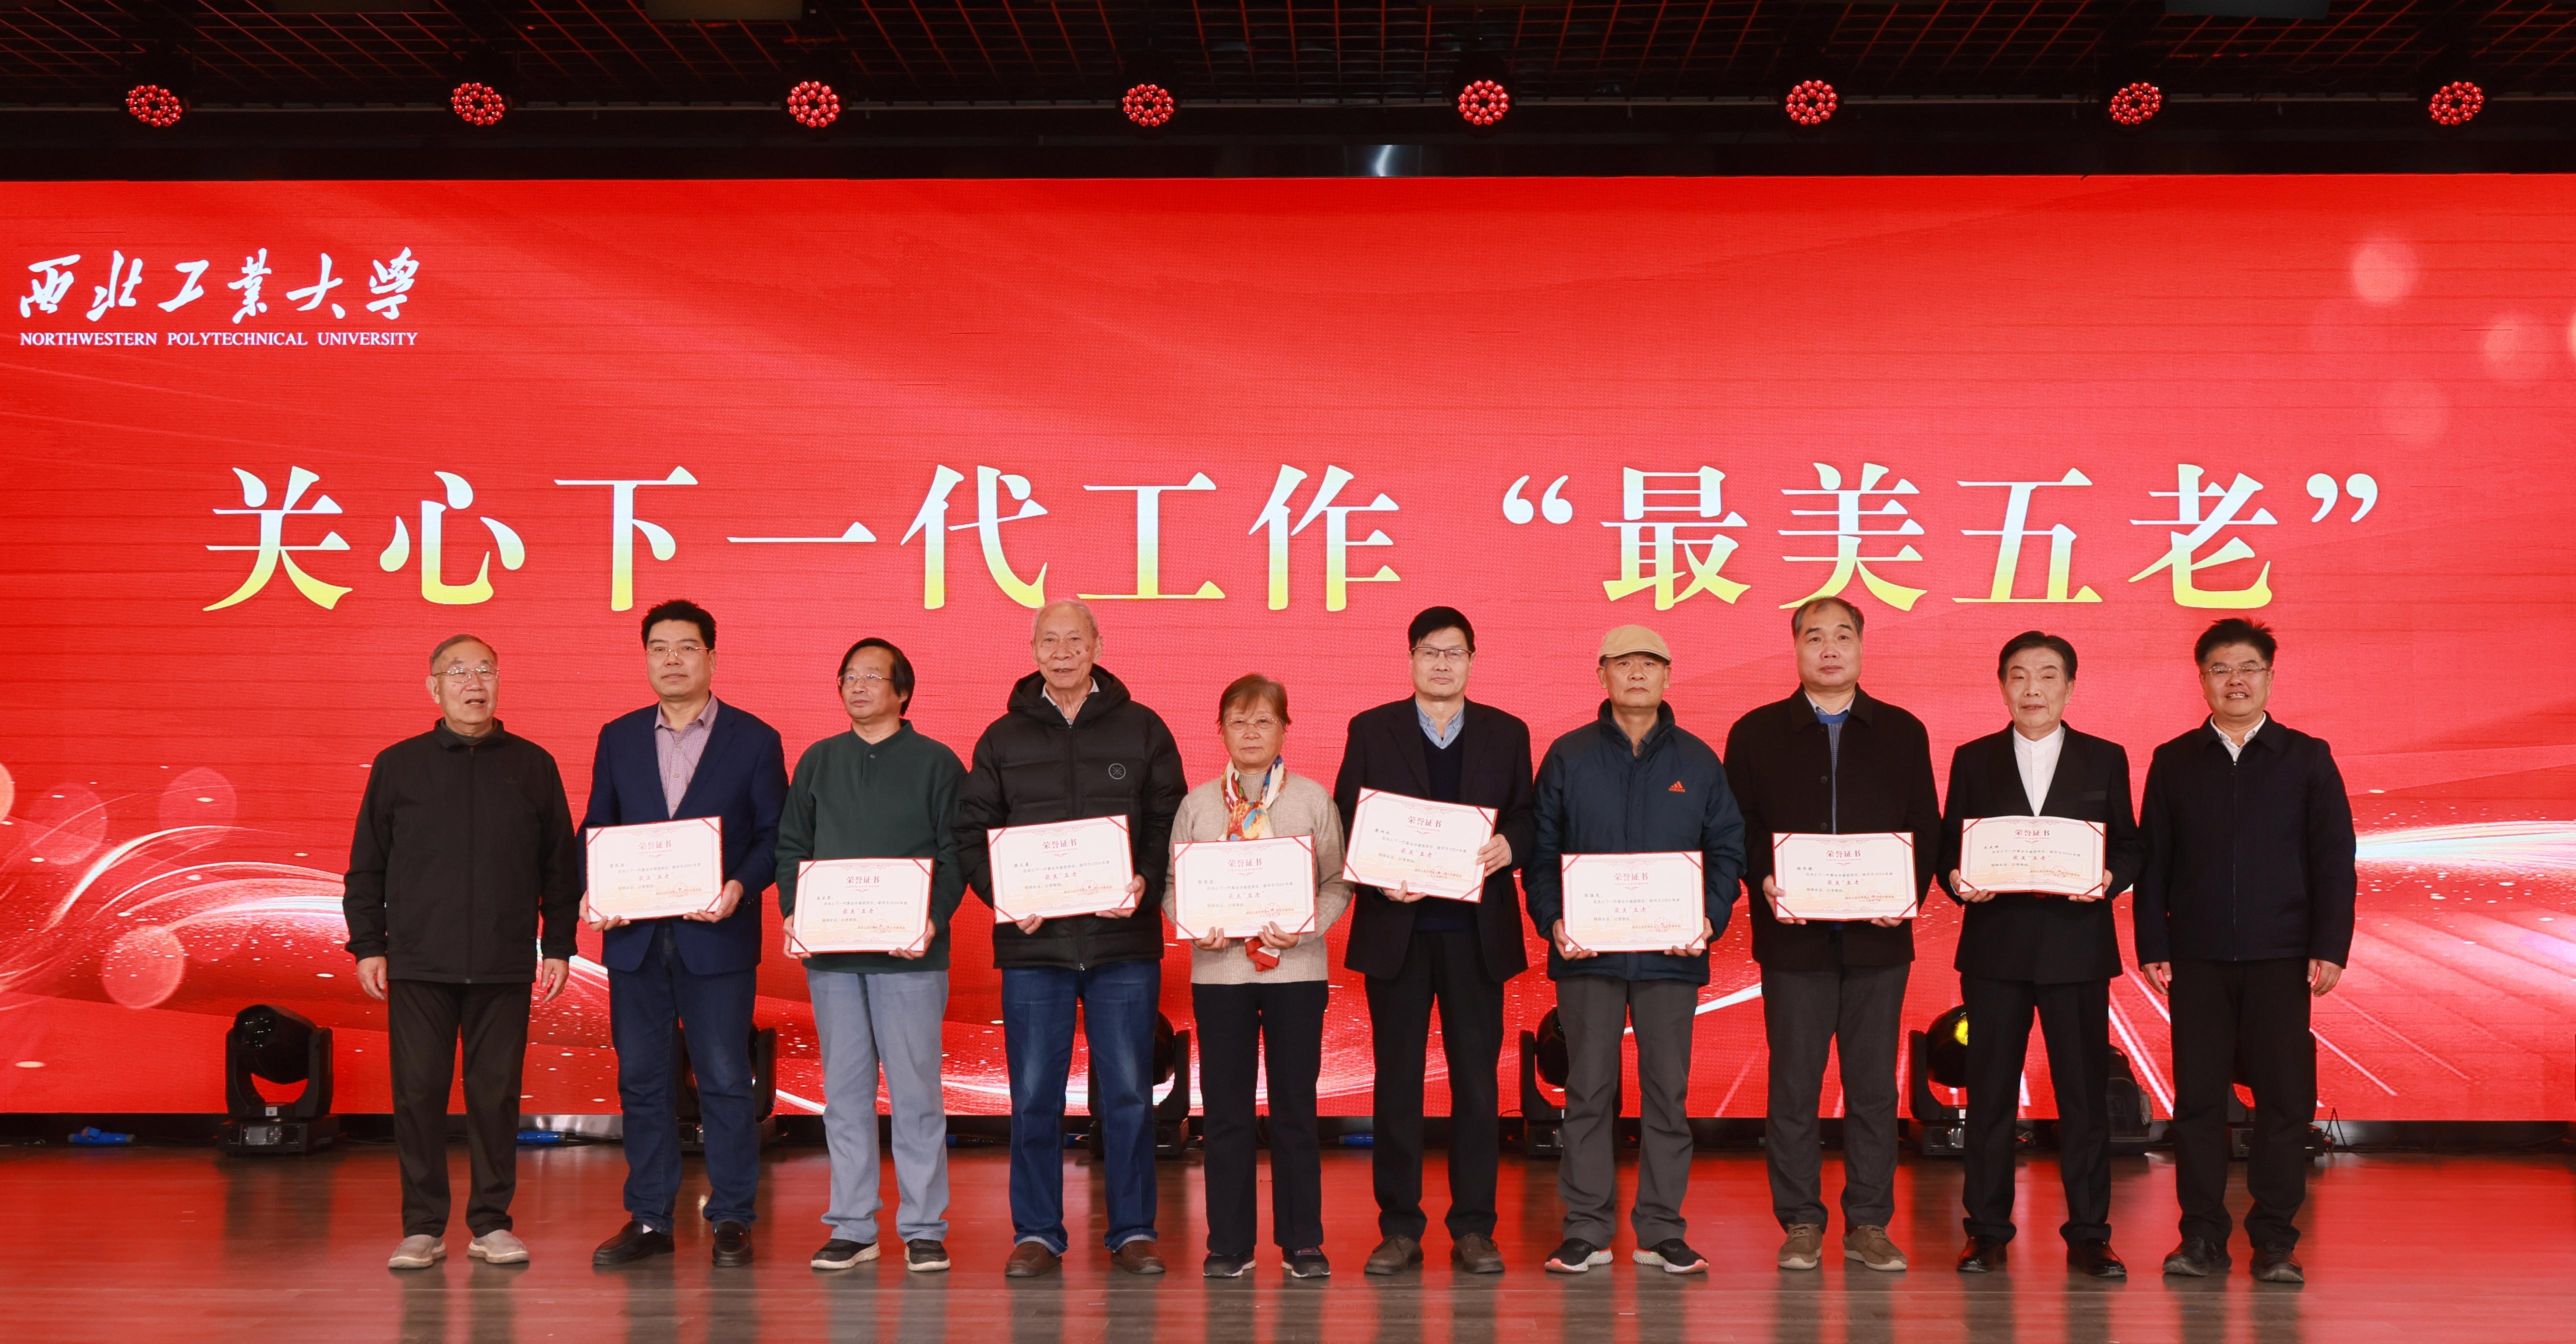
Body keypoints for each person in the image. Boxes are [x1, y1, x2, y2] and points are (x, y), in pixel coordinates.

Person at [954, 599, 1188, 1278]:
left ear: (1097, 646)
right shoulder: (1001, 738)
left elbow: (1168, 817)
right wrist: (1005, 896)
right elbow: (971, 830)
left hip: (1123, 943)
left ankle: (1134, 1229)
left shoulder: (1143, 728)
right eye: (1049, 640)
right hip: (1035, 948)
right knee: (1033, 1095)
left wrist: (1146, 879)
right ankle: (1037, 1231)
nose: (1062, 652)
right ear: (1033, 649)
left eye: (1074, 639)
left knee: (1128, 1095)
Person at [344, 633, 578, 1271]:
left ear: (499, 681)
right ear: (434, 687)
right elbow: (367, 865)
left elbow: (560, 867)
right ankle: (422, 1225)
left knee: (495, 1095)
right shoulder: (399, 764)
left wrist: (558, 944)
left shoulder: (533, 764)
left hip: (504, 961)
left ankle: (491, 1221)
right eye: (458, 672)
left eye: (485, 670)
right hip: (419, 961)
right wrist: (368, 944)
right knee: (418, 1092)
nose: (474, 682)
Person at [2136, 617, 2356, 1286]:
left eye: (2248, 667)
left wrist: (2329, 944)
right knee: (2199, 1102)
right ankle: (2201, 1235)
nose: (2235, 679)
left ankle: (2276, 1240)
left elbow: (2333, 859)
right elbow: (2154, 861)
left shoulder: (2306, 756)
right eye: (2221, 668)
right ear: (2202, 679)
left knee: (2284, 1102)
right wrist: (2153, 942)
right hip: (2197, 956)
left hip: (2281, 955)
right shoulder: (2174, 759)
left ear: (2269, 676)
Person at [1723, 596, 1939, 1274]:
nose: (1829, 648)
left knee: (1873, 1087)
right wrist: (1762, 875)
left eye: (1842, 635)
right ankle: (1801, 1220)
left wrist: (1904, 892)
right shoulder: (1756, 732)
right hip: (1794, 940)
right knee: (1794, 1083)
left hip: (1879, 939)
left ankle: (1869, 1222)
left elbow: (1925, 825)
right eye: (1814, 636)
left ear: (1861, 647)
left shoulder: (1902, 731)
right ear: (1795, 647)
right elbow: (1737, 824)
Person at [1523, 625, 1745, 1277]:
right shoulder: (1568, 755)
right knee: (1587, 1089)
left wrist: (1708, 916)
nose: (1638, 673)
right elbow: (1541, 852)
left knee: (1666, 1092)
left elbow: (1728, 848)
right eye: (1625, 663)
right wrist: (1552, 918)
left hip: (1671, 953)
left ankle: (1661, 1228)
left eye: (1651, 663)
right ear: (1602, 674)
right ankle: (1587, 1228)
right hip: (1587, 952)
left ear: (1669, 676)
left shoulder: (1698, 761)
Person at [582, 599, 788, 1269]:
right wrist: (595, 887)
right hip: (635, 940)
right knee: (642, 1080)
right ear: (646, 658)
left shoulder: (755, 738)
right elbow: (598, 826)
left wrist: (740, 886)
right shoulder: (618, 736)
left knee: (725, 1078)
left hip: (717, 937)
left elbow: (774, 836)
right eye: (659, 647)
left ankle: (732, 1215)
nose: (672, 658)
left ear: (712, 657)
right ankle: (649, 1216)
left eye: (686, 647)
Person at [1332, 604, 1534, 1276]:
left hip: (1476, 934)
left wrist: (1512, 845)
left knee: (1476, 1085)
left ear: (1472, 659)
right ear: (1411, 658)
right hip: (1399, 933)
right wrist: (1377, 878)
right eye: (1430, 651)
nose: (1442, 663)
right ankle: (1399, 1227)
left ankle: (1474, 1226)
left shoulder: (1507, 731)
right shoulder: (1372, 728)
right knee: (1397, 1083)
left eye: (1454, 652)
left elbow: (1530, 816)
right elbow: (1347, 819)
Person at [1936, 631, 2143, 1279]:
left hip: (2077, 949)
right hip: (1995, 949)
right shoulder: (1973, 758)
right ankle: (1986, 1231)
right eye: (2019, 675)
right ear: (2002, 685)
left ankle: (2090, 1234)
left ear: (2070, 686)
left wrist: (2108, 877)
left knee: (2083, 1099)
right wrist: (1957, 879)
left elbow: (2129, 844)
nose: (2033, 689)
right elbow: (1949, 847)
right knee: (1990, 1096)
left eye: (2048, 675)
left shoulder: (2104, 757)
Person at [776, 637, 966, 1274]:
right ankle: (853, 1225)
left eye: (871, 677)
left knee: (916, 1094)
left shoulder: (937, 762)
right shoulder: (818, 760)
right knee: (845, 1093)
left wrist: (932, 918)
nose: (857, 686)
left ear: (902, 691)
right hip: (833, 957)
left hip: (910, 956)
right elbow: (791, 845)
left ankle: (923, 1227)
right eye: (848, 676)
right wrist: (794, 911)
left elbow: (955, 851)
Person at [1169, 674, 1352, 1280]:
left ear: (1284, 729)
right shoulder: (1198, 805)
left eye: (1264, 720)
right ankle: (1229, 1242)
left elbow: (1337, 881)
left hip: (1295, 972)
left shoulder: (1313, 799)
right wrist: (1192, 924)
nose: (1251, 732)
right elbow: (1172, 884)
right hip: (1219, 973)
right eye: (1238, 720)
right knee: (1225, 1111)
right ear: (1220, 730)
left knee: (1296, 1108)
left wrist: (1305, 926)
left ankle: (1303, 1241)